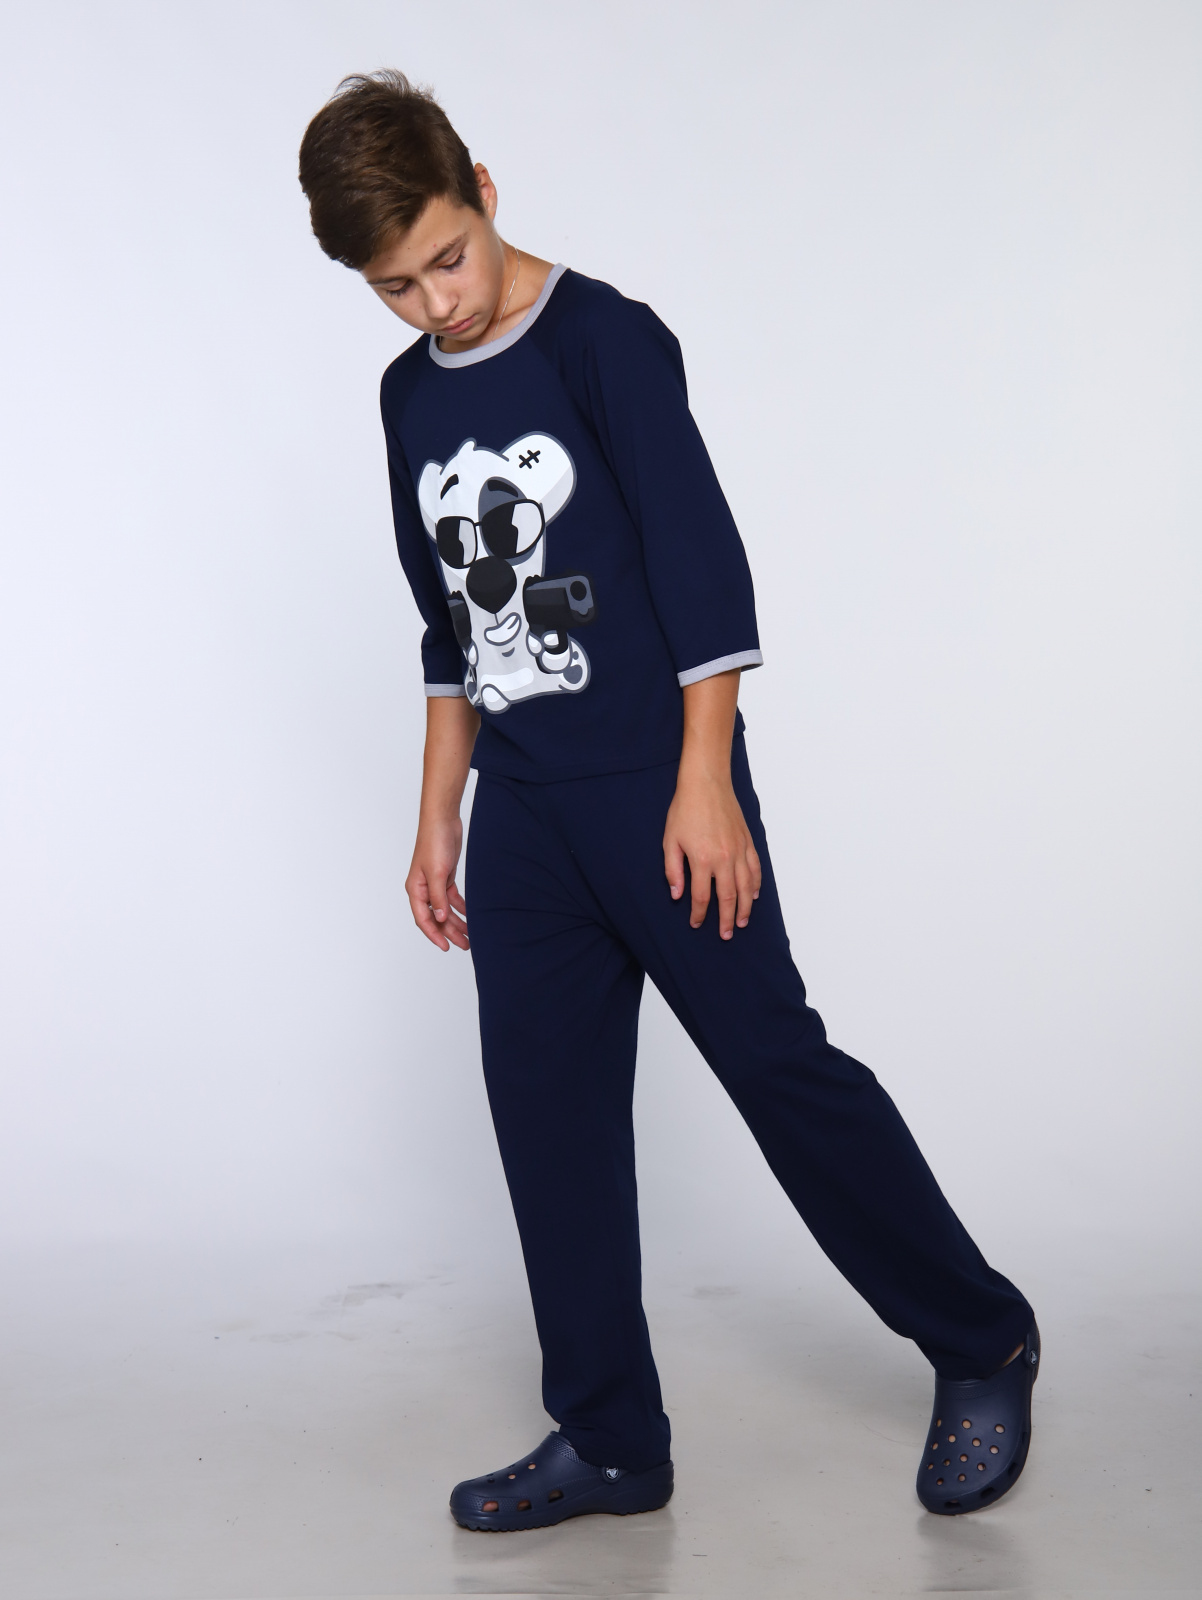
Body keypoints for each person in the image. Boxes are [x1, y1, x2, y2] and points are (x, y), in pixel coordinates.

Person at [297, 70, 1039, 1530]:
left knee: (779, 1073)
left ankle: (981, 1337)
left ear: (484, 190)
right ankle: (611, 1438)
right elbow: (450, 626)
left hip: (660, 788)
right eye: (394, 289)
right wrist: (437, 816)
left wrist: (706, 785)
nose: (436, 305)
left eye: (446, 259)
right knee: (548, 1121)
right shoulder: (407, 399)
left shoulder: (606, 343)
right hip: (523, 816)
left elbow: (703, 574)